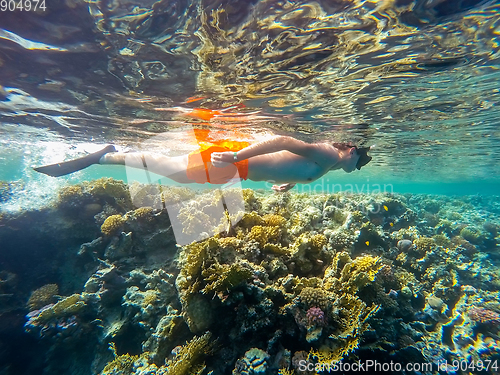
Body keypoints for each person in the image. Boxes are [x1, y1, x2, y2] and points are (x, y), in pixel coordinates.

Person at [34, 132, 372, 192]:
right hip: (234, 161)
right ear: (352, 151)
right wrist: (239, 154)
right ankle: (105, 156)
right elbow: (284, 141)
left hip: (238, 169)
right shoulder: (330, 154)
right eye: (362, 162)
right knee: (170, 169)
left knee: (173, 171)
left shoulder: (327, 164)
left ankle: (108, 155)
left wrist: (288, 182)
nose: (359, 169)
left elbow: (290, 162)